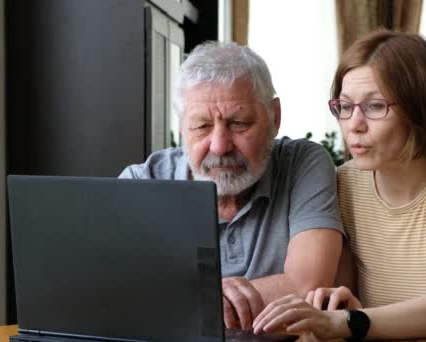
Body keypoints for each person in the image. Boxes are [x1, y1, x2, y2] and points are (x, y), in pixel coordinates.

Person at [252, 30, 426, 340]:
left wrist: (346, 321)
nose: (354, 124)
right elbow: (347, 303)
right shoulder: (345, 182)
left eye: (375, 106)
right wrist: (341, 306)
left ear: (422, 107)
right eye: (345, 106)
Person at [119, 41, 344, 331]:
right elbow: (120, 295)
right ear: (181, 126)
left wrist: (185, 299)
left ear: (274, 116)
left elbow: (307, 284)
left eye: (238, 123)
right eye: (201, 126)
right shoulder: (142, 182)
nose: (220, 146)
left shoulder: (302, 163)